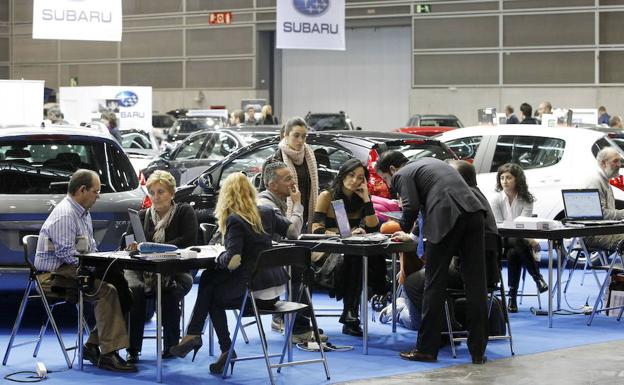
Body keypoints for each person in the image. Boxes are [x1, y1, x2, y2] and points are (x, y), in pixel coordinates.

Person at [170, 173, 297, 374]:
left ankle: (209, 342)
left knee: (210, 291)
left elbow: (233, 261)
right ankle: (209, 344)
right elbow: (293, 232)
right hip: (274, 292)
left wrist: (220, 255)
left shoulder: (235, 220)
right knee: (210, 281)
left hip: (253, 295)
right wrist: (297, 206)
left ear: (226, 196)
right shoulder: (267, 212)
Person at [375, 151, 489, 364]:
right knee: (476, 284)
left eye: (386, 179)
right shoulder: (430, 163)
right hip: (474, 213)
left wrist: (401, 230)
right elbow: (430, 200)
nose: (390, 186)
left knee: (433, 284)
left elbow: (410, 206)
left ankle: (426, 349)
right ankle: (478, 351)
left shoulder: (403, 174)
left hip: (447, 217)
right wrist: (411, 233)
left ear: (392, 170)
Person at [34, 169, 136, 372]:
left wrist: (103, 262)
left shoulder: (83, 213)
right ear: (82, 190)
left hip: (72, 268)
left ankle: (92, 345)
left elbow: (89, 250)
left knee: (121, 286)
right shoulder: (65, 215)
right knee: (107, 291)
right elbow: (67, 256)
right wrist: (97, 267)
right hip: (52, 275)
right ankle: (108, 354)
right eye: (95, 192)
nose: (98, 196)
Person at [401, 160, 500, 334]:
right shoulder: (476, 198)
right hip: (487, 273)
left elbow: (446, 244)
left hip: (465, 271)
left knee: (413, 283)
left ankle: (444, 330)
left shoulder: (455, 203)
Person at [123, 170, 198, 362]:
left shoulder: (184, 211)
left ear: (172, 193)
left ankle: (171, 345)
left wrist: (156, 248)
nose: (156, 197)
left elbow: (189, 239)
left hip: (177, 271)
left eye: (161, 192)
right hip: (143, 272)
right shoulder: (141, 216)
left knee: (168, 292)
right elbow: (127, 242)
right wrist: (131, 245)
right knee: (135, 291)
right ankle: (133, 349)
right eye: (152, 192)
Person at [311, 158, 388, 336]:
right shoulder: (327, 195)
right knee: (355, 256)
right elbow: (316, 229)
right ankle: (351, 313)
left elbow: (373, 227)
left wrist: (367, 199)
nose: (354, 180)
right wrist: (343, 235)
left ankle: (351, 313)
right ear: (343, 174)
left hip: (352, 248)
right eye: (351, 175)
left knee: (362, 255)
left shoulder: (360, 198)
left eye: (360, 177)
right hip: (327, 248)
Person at [258, 161, 328, 343]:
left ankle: (288, 321)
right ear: (272, 185)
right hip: (260, 269)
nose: (292, 183)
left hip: (269, 261)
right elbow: (293, 233)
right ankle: (298, 327)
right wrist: (297, 204)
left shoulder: (274, 201)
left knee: (302, 266)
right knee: (302, 270)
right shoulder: (266, 204)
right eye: (287, 179)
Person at [489, 163, 547, 313]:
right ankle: (537, 278)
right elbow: (498, 225)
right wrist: (530, 239)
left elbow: (524, 223)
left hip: (518, 241)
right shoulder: (495, 199)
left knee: (514, 253)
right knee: (517, 240)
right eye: (501, 178)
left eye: (508, 178)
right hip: (500, 240)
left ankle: (512, 298)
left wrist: (524, 234)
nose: (504, 181)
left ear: (517, 180)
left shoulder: (526, 199)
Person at [264, 117, 319, 231]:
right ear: (286, 135)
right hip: (282, 217)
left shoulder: (309, 157)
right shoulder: (273, 161)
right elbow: (264, 193)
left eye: (304, 136)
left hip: (306, 217)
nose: (300, 140)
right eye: (296, 135)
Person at [583, 147, 624, 250]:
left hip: (604, 231)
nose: (619, 165)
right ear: (603, 163)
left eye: (620, 161)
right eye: (615, 161)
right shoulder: (595, 181)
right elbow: (600, 214)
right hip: (595, 235)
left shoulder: (604, 180)